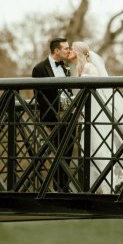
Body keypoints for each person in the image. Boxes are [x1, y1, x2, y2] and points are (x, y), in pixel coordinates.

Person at [68, 41, 123, 194]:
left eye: (72, 48)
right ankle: (94, 188)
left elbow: (93, 93)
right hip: (88, 114)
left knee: (100, 148)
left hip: (96, 114)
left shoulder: (89, 68)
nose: (69, 51)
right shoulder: (78, 68)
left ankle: (106, 187)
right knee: (90, 149)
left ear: (78, 51)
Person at [32, 37, 74, 192]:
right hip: (52, 116)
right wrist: (54, 113)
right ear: (56, 51)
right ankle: (57, 186)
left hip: (69, 115)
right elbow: (39, 95)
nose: (68, 51)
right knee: (58, 150)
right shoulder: (40, 68)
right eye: (66, 48)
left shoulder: (65, 68)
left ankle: (62, 185)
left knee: (68, 150)